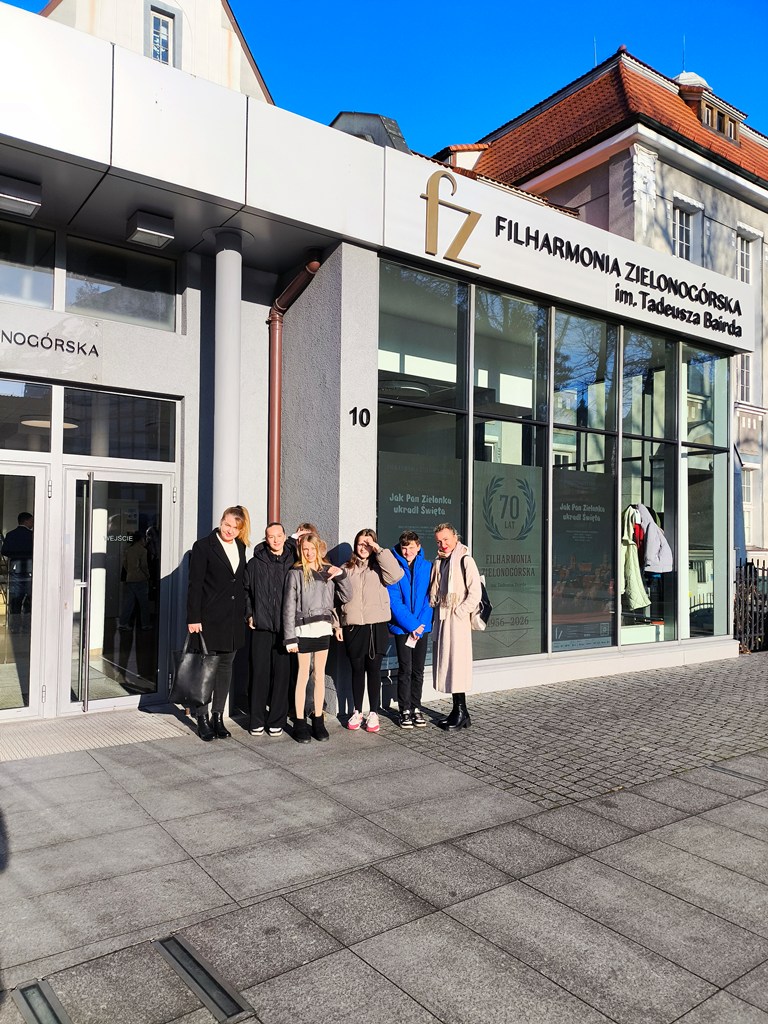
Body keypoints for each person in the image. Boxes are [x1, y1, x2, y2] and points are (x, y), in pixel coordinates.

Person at [187, 505, 251, 742]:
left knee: (225, 668)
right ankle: (202, 718)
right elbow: (195, 585)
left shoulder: (241, 547)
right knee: (206, 670)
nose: (229, 530)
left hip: (232, 620)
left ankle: (218, 717)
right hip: (209, 620)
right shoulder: (203, 546)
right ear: (221, 521)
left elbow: (239, 583)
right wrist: (193, 618)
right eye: (227, 524)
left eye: (235, 527)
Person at [283, 532, 351, 743]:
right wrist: (290, 638)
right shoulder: (295, 573)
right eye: (305, 549)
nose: (309, 553)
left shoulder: (327, 571)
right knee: (303, 675)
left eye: (312, 549)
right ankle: (300, 722)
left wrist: (340, 574)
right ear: (300, 550)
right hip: (303, 630)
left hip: (323, 628)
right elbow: (288, 607)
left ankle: (318, 721)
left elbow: (347, 596)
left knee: (319, 675)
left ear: (318, 549)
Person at [336, 528, 403, 733]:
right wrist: (337, 624)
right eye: (360, 544)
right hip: (353, 626)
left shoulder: (380, 567)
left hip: (376, 626)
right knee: (357, 670)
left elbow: (396, 575)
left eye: (368, 544)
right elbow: (336, 599)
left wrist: (378, 550)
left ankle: (373, 712)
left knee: (373, 670)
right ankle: (357, 710)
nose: (363, 548)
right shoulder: (346, 568)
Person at [429, 522, 481, 730]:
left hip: (457, 622)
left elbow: (475, 593)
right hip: (444, 619)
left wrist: (459, 612)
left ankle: (461, 712)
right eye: (439, 541)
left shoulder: (465, 559)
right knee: (449, 665)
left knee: (457, 665)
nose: (443, 544)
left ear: (455, 537)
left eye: (446, 539)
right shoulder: (440, 561)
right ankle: (459, 710)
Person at [244, 521, 294, 737]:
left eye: (278, 536)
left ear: (285, 536)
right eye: (271, 536)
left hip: (285, 628)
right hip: (261, 627)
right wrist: (249, 613)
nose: (275, 540)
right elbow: (246, 591)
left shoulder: (293, 562)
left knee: (282, 676)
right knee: (259, 673)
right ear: (265, 539)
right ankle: (256, 719)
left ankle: (276, 720)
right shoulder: (255, 563)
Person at [387, 530, 433, 729]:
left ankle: (416, 707)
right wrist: (412, 625)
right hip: (402, 627)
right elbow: (394, 601)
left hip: (422, 628)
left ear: (418, 547)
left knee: (418, 670)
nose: (408, 552)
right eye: (404, 548)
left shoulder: (427, 567)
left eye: (411, 547)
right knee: (405, 669)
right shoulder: (394, 566)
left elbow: (430, 598)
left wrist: (420, 626)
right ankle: (404, 709)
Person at [2, 513, 33, 631]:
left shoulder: (11, 535)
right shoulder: (32, 535)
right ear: (26, 521)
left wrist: (15, 554)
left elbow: (4, 551)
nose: (32, 523)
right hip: (30, 568)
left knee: (16, 598)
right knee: (29, 597)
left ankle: (14, 626)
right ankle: (27, 626)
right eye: (31, 521)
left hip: (15, 568)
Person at [119, 531, 152, 631]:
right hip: (141, 579)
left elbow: (125, 564)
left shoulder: (128, 550)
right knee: (144, 604)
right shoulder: (143, 551)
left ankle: (123, 623)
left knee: (128, 603)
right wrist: (148, 575)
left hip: (130, 578)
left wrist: (130, 572)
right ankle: (145, 624)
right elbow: (144, 565)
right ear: (141, 539)